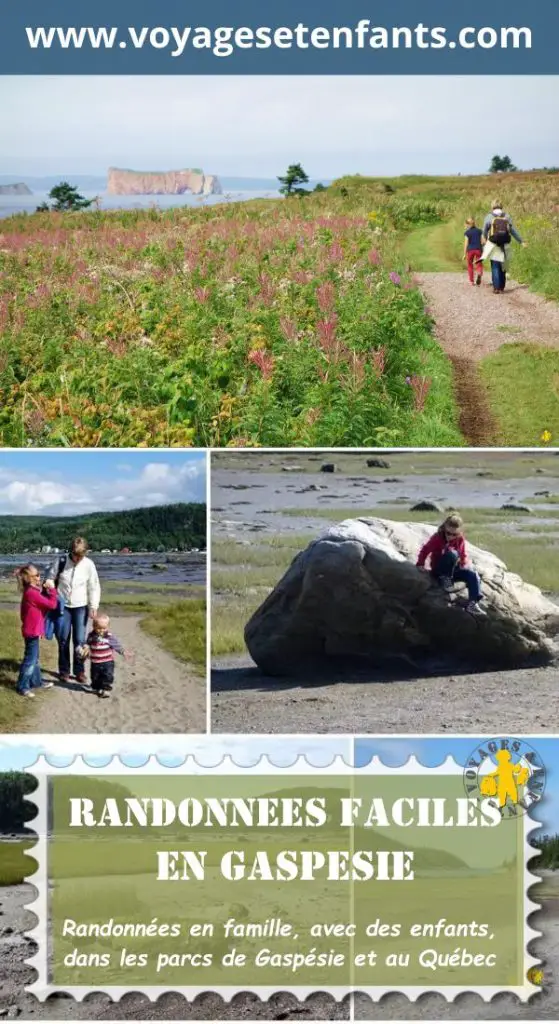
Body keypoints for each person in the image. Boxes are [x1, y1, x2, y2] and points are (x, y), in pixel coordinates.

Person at [46, 537, 101, 684]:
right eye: (75, 556)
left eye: (81, 556)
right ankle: (64, 671)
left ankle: (79, 671)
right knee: (63, 639)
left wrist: (93, 606)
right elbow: (51, 577)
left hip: (80, 606)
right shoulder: (61, 561)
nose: (77, 559)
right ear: (71, 551)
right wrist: (49, 584)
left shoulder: (89, 565)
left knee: (80, 640)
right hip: (62, 606)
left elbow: (93, 587)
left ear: (85, 553)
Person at [416, 512, 487, 617]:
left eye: (454, 534)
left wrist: (464, 565)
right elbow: (425, 550)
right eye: (448, 533)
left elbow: (463, 554)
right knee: (453, 553)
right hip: (439, 570)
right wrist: (420, 563)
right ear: (445, 528)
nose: (451, 536)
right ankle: (445, 580)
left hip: (454, 570)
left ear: (459, 532)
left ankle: (472, 604)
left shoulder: (460, 539)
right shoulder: (437, 538)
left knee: (473, 575)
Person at [15, 565, 58, 697]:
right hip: (31, 631)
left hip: (33, 630)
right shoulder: (32, 593)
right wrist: (52, 590)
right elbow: (52, 605)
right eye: (37, 575)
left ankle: (37, 682)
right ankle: (22, 686)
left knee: (35, 659)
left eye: (39, 574)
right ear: (30, 578)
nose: (40, 577)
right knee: (30, 660)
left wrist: (45, 591)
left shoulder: (32, 591)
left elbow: (41, 607)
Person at [77, 613, 131, 698]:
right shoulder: (91, 636)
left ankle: (105, 689)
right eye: (98, 628)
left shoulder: (109, 637)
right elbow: (88, 644)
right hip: (95, 662)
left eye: (104, 628)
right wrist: (84, 650)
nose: (101, 630)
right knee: (95, 676)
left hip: (107, 662)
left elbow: (116, 645)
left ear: (107, 627)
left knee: (107, 676)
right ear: (94, 626)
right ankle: (95, 687)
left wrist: (123, 652)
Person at [481, 200, 527, 294]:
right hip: (505, 244)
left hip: (493, 244)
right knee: (503, 265)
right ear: (501, 206)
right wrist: (521, 241)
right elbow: (513, 231)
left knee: (495, 266)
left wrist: (484, 242)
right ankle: (501, 287)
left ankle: (496, 288)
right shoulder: (507, 216)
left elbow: (484, 231)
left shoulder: (489, 216)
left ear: (492, 206)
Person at [463, 218, 484, 286]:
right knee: (479, 264)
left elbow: (466, 244)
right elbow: (483, 241)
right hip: (478, 249)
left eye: (466, 224)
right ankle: (479, 273)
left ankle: (472, 281)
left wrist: (464, 254)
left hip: (470, 250)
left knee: (470, 265)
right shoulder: (479, 231)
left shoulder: (467, 233)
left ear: (468, 224)